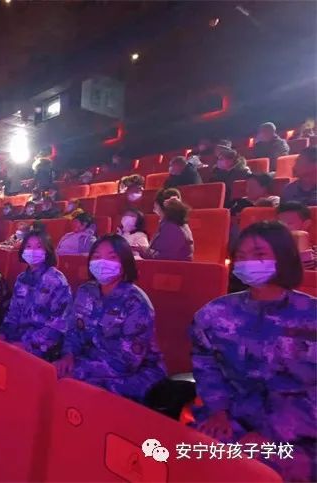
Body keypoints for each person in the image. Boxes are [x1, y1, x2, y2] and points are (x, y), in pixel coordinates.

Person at [190, 221, 316, 481]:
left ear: (282, 257)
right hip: (232, 418)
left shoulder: (311, 317)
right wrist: (218, 411)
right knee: (191, 456)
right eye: (241, 256)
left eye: (259, 254)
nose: (248, 262)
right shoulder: (215, 314)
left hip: (299, 430)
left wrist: (272, 432)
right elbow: (206, 365)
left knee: (264, 469)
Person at [55, 235, 167, 402]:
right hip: (90, 362)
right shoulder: (86, 291)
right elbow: (74, 331)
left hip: (136, 373)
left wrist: (79, 369)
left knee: (80, 391)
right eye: (97, 257)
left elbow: (126, 362)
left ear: (124, 263)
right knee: (54, 375)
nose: (103, 262)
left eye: (112, 257)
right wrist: (68, 356)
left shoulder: (136, 302)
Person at [0, 230, 72, 362]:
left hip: (42, 345)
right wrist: (3, 334)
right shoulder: (21, 279)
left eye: (39, 247)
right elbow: (13, 312)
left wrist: (28, 344)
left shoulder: (57, 280)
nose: (32, 251)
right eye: (28, 246)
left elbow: (58, 325)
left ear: (47, 251)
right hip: (16, 338)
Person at [141, 189, 194, 261]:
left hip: (170, 267)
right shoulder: (175, 223)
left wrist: (143, 251)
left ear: (158, 205)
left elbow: (163, 256)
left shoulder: (172, 227)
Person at [276, 201, 315, 270]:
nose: (282, 227)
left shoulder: (314, 252)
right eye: (279, 223)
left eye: (289, 223)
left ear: (306, 224)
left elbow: (305, 270)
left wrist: (301, 236)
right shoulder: (271, 247)